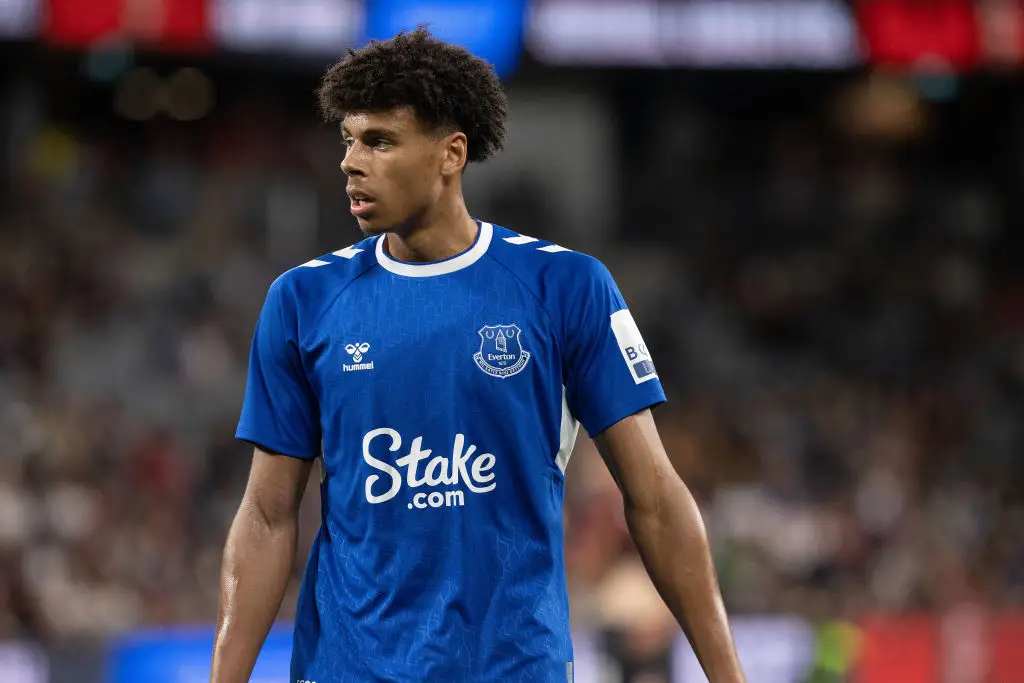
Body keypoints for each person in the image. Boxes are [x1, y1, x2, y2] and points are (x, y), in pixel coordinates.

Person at [210, 28, 746, 683]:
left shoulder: (566, 288)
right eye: (348, 139)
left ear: (450, 153)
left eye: (379, 140)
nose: (351, 160)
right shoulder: (302, 300)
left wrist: (727, 675)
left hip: (513, 668)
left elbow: (656, 499)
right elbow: (267, 515)